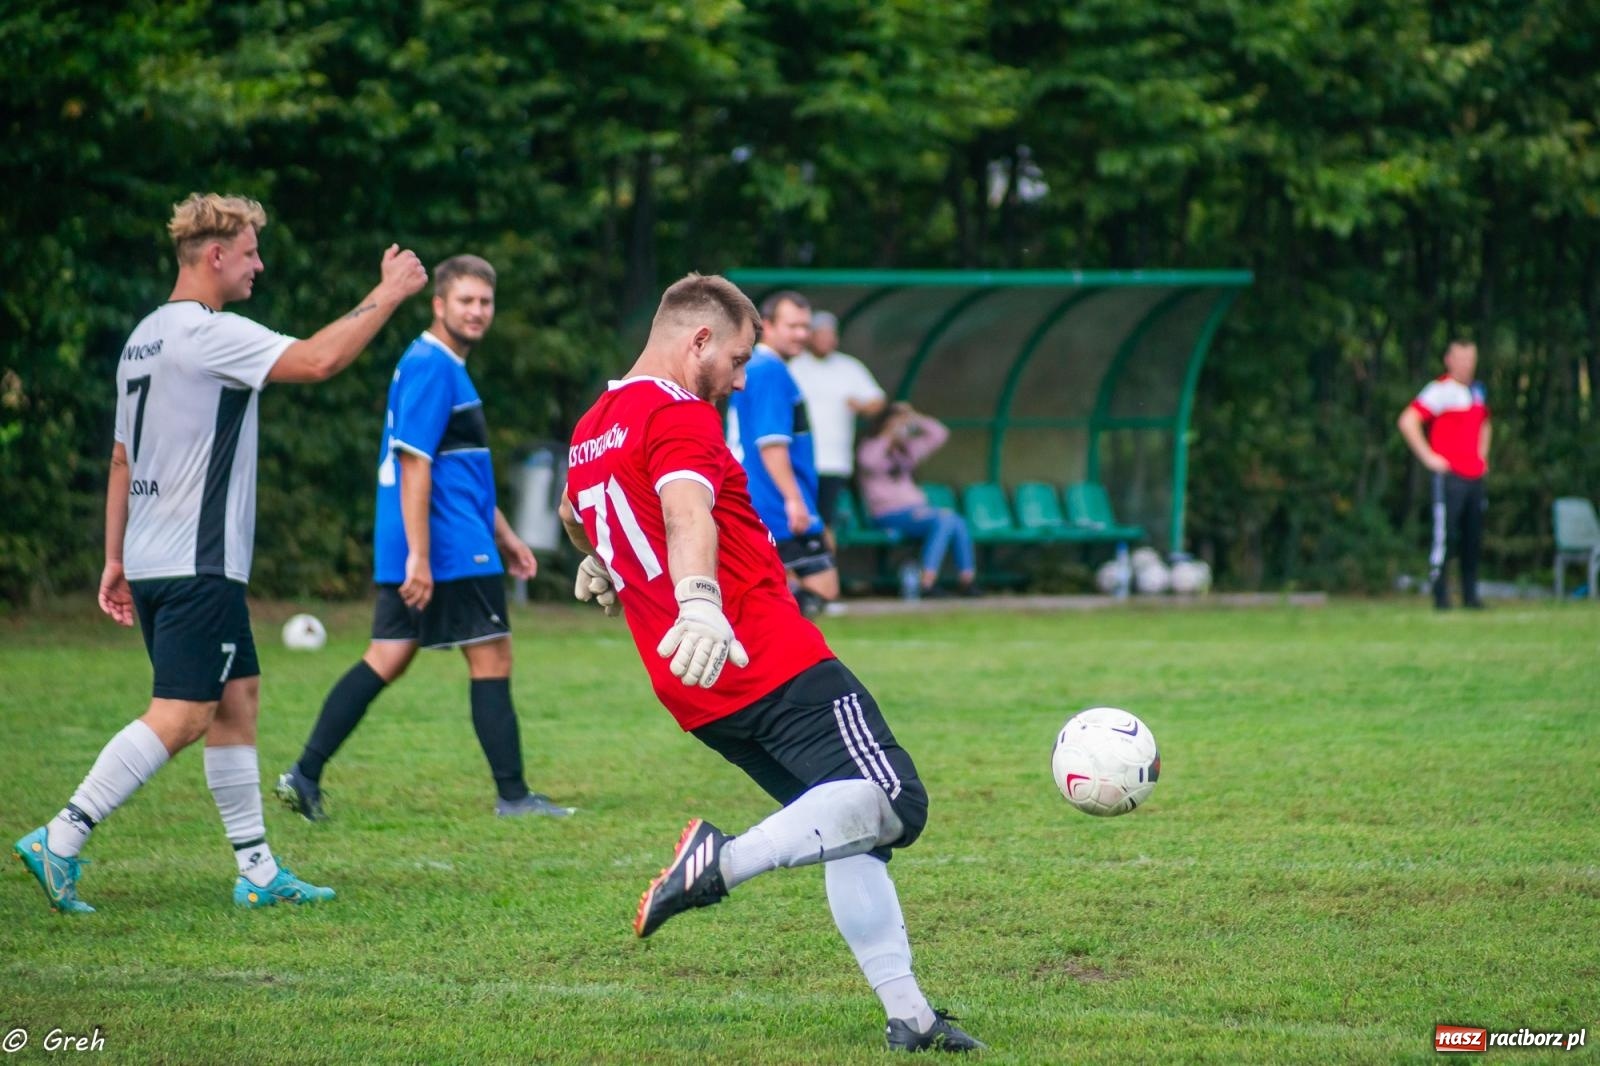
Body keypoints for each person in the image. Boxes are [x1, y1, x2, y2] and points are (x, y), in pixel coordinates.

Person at [558, 273, 984, 1054]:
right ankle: (720, 863)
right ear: (698, 342)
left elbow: (572, 512)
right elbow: (687, 511)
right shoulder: (678, 411)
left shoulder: (594, 424)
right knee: (896, 798)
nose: (743, 378)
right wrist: (698, 598)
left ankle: (911, 1017)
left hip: (693, 687)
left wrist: (602, 561)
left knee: (849, 826)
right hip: (765, 655)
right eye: (740, 358)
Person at [11, 193, 429, 913]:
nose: (258, 265)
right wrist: (389, 292)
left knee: (237, 702)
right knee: (181, 714)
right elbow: (321, 360)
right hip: (194, 564)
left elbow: (120, 459)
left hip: (157, 560)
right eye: (250, 252)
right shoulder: (208, 333)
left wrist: (114, 560)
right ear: (215, 257)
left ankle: (258, 871)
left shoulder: (141, 337)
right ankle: (63, 834)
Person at [276, 255, 575, 822]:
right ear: (439, 305)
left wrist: (507, 536)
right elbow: (415, 465)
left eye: (485, 301)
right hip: (448, 546)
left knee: (387, 656)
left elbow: (460, 473)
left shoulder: (435, 365)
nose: (477, 311)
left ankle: (304, 774)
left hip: (441, 538)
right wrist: (421, 555)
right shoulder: (434, 365)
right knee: (492, 656)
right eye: (465, 300)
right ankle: (513, 797)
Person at [725, 291, 839, 617]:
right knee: (821, 587)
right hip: (772, 498)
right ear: (768, 326)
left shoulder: (757, 367)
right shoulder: (769, 370)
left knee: (782, 584)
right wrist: (793, 499)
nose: (802, 334)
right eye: (793, 326)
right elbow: (771, 443)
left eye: (806, 326)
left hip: (761, 494)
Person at [1397, 340, 1491, 610]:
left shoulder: (1477, 391)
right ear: (1449, 360)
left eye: (1470, 359)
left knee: (1472, 537)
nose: (1467, 365)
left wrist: (1482, 457)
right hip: (1450, 477)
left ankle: (1471, 596)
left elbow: (1486, 424)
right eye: (1461, 359)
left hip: (1474, 476)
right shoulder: (1439, 391)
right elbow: (1407, 420)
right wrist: (1429, 458)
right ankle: (1441, 597)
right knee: (1446, 536)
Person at [856, 403, 979, 597]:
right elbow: (868, 462)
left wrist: (914, 417)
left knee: (957, 521)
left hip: (915, 510)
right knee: (944, 519)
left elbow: (939, 433)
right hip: (888, 514)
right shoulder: (872, 446)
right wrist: (887, 433)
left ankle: (967, 580)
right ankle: (926, 582)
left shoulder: (907, 449)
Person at [787, 310, 886, 533]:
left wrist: (862, 407)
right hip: (799, 459)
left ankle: (824, 566)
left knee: (824, 522)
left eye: (830, 334)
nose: (826, 339)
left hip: (834, 461)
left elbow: (877, 400)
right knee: (798, 520)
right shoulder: (795, 365)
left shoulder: (849, 367)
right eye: (820, 333)